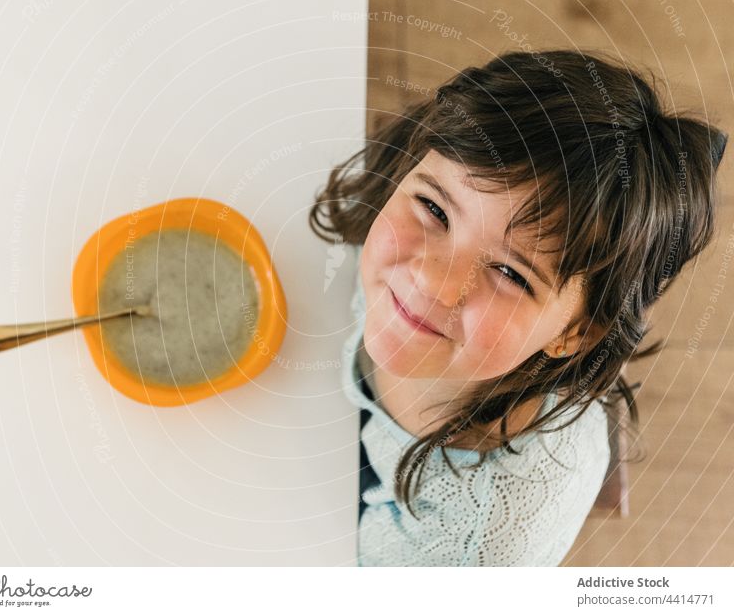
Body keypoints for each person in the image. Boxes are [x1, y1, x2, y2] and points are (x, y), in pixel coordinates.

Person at [308, 49, 728, 566]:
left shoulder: (466, 546)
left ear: (574, 332)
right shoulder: (404, 174)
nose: (432, 282)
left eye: (510, 273)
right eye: (435, 209)